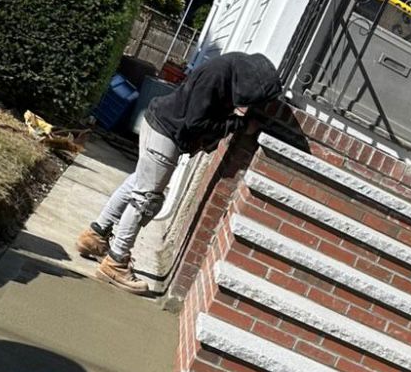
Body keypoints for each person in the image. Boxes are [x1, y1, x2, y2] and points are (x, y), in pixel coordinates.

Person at [77, 50, 282, 293]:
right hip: (165, 135)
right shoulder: (216, 77)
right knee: (146, 199)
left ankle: (95, 236)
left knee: (137, 184)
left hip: (158, 124)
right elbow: (196, 122)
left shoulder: (227, 69)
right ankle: (115, 262)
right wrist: (238, 123)